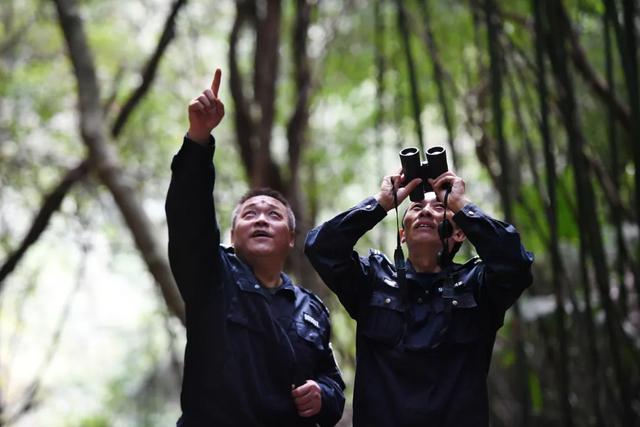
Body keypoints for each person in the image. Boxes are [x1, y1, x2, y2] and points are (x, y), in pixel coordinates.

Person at [166, 69, 345, 427]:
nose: (261, 219)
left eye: (274, 215)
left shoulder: (311, 308)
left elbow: (332, 382)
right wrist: (199, 140)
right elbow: (189, 219)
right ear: (232, 235)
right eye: (250, 214)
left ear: (290, 238)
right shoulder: (211, 275)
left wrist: (322, 394)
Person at [305, 168, 534, 427]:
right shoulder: (372, 280)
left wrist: (461, 204)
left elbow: (516, 265)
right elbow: (320, 247)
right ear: (402, 235)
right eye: (415, 208)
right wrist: (380, 203)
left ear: (459, 232)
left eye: (438, 208)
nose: (425, 211)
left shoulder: (478, 286)